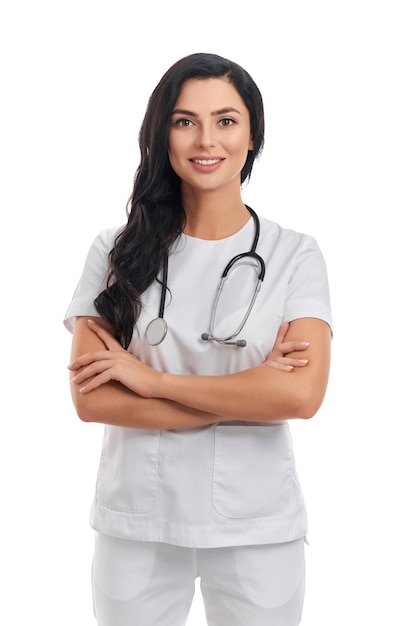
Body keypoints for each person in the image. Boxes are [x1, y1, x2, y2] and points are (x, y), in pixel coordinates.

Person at [65, 52, 332, 626]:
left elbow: (300, 397)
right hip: (138, 520)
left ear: (254, 134)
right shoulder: (116, 252)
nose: (206, 139)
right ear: (162, 133)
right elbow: (91, 399)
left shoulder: (294, 254)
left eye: (226, 120)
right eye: (185, 121)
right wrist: (243, 394)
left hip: (255, 525)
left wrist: (150, 380)